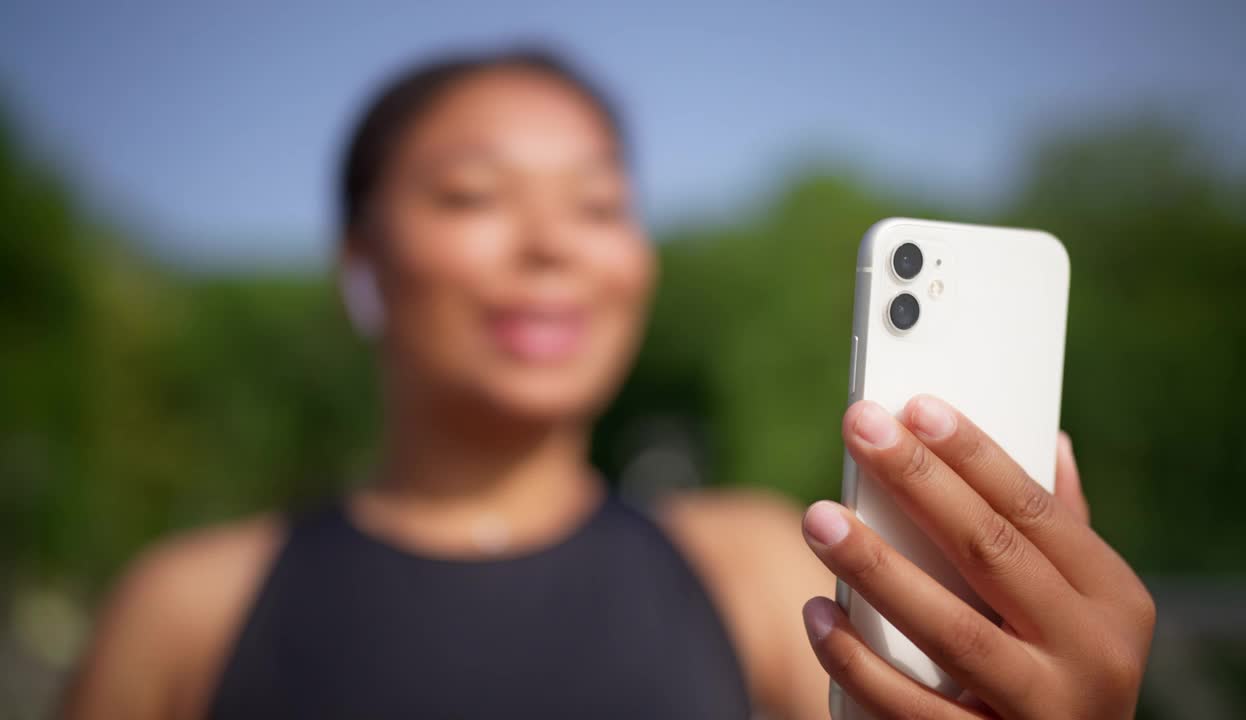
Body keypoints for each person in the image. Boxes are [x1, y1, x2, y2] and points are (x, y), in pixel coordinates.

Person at [62, 49, 1155, 719]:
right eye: (472, 195)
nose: (555, 245)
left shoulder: (764, 569)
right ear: (359, 264)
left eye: (597, 206)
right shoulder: (185, 608)